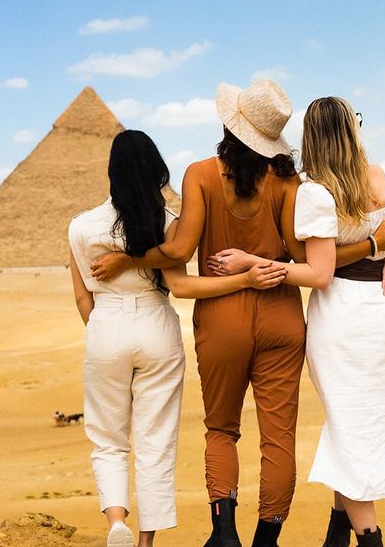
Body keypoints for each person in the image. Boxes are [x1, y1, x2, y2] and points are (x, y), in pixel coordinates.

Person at [89, 80, 385, 547]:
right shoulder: (291, 183)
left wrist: (128, 258)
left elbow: (179, 247)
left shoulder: (199, 174)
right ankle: (267, 538)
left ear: (228, 126)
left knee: (221, 428)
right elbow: (312, 260)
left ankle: (223, 532)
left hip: (220, 317)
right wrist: (376, 245)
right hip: (282, 317)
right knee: (279, 437)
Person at [209, 97, 385, 547]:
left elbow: (318, 275)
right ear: (352, 130)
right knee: (362, 422)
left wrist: (255, 261)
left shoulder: (316, 192)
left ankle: (370, 537)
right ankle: (335, 538)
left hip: (340, 317)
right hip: (382, 314)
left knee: (349, 424)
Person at [68, 129, 289, 547]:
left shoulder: (80, 227)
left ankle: (117, 521)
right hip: (156, 329)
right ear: (155, 170)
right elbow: (183, 287)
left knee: (108, 438)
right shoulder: (168, 224)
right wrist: (245, 279)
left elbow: (82, 297)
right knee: (155, 439)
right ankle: (146, 542)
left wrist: (103, 333)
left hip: (105, 327)